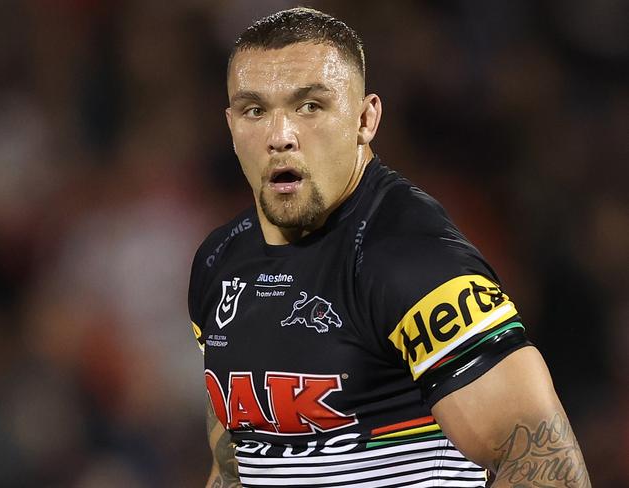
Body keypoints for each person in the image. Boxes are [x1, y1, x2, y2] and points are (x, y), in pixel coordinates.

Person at [188, 7, 591, 488]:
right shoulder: (220, 264)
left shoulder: (411, 259)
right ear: (231, 125)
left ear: (365, 119)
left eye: (310, 106)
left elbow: (548, 467)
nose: (280, 137)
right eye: (256, 111)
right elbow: (236, 460)